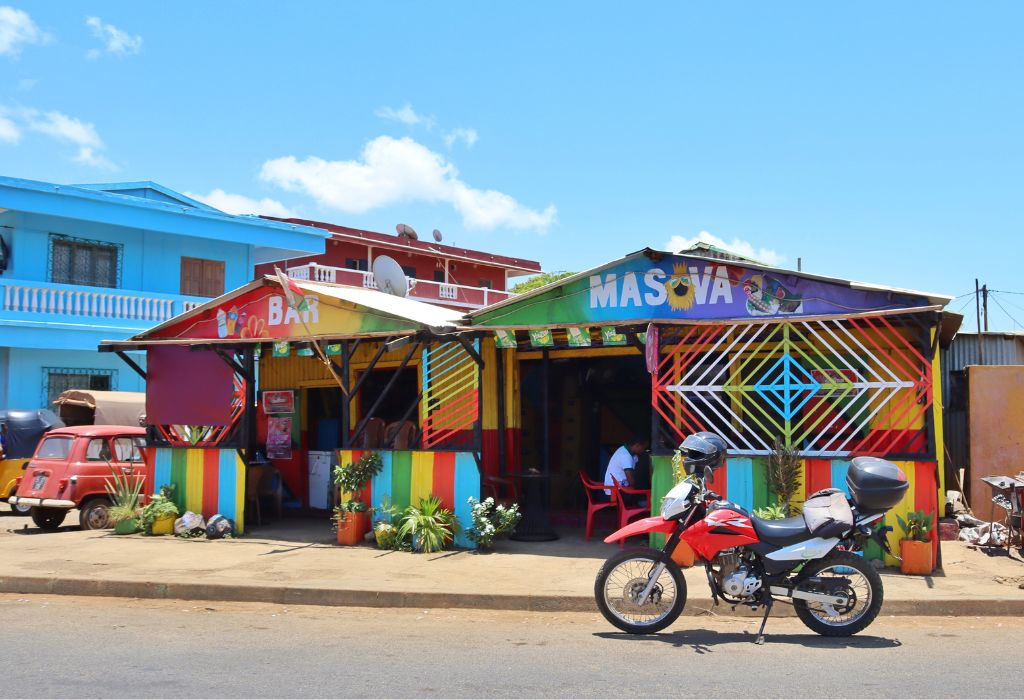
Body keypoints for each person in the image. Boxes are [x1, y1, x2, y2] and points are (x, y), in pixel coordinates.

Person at [604, 435, 649, 506]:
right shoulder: (625, 456)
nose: (644, 450)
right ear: (637, 445)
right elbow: (631, 481)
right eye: (643, 448)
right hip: (616, 492)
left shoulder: (626, 450)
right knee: (643, 492)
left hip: (618, 488)